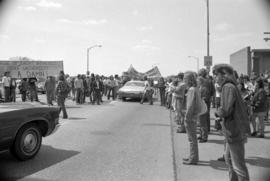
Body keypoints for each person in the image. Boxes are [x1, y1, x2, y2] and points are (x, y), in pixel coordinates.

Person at [213, 64, 250, 181]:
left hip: (234, 130)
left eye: (216, 75)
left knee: (238, 166)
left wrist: (218, 113)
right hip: (233, 130)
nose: (215, 78)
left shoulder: (227, 87)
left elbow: (226, 110)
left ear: (224, 75)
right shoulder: (230, 86)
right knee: (229, 160)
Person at [182, 71, 200, 165]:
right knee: (192, 139)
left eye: (185, 78)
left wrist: (187, 117)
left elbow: (190, 106)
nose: (184, 80)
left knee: (192, 139)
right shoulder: (194, 88)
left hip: (190, 117)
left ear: (189, 80)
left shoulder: (191, 90)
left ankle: (193, 158)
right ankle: (192, 156)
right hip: (193, 116)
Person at [197, 76, 209, 142]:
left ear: (201, 81)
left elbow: (206, 98)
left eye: (198, 81)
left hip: (203, 107)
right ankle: (201, 135)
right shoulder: (199, 88)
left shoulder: (204, 88)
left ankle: (204, 137)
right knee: (200, 123)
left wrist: (200, 98)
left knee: (203, 123)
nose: (197, 82)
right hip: (200, 107)